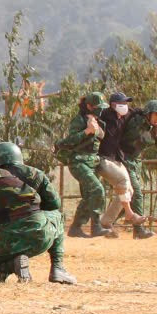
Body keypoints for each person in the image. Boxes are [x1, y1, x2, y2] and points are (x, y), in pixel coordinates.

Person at [0, 142, 75, 285]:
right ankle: (58, 268)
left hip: (7, 242)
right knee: (58, 215)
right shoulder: (36, 174)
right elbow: (54, 204)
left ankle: (12, 264)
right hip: (39, 236)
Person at [55, 91, 110, 237]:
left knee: (89, 196)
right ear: (89, 106)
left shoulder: (98, 121)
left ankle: (75, 228)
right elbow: (69, 141)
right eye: (97, 107)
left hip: (91, 162)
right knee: (98, 190)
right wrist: (87, 131)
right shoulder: (79, 120)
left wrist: (96, 129)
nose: (101, 110)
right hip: (78, 162)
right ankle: (96, 227)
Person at [95, 94, 146, 237]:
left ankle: (105, 222)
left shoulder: (125, 115)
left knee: (128, 191)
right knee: (123, 181)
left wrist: (149, 114)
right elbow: (93, 112)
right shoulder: (105, 114)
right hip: (102, 159)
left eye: (126, 102)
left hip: (116, 158)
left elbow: (137, 111)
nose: (125, 105)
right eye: (121, 102)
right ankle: (130, 214)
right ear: (112, 104)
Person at [120, 98, 157, 238]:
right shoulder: (137, 123)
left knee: (123, 198)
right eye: (156, 115)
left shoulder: (148, 126)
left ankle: (106, 223)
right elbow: (143, 140)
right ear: (148, 113)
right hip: (124, 160)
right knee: (137, 194)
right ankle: (139, 229)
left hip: (134, 161)